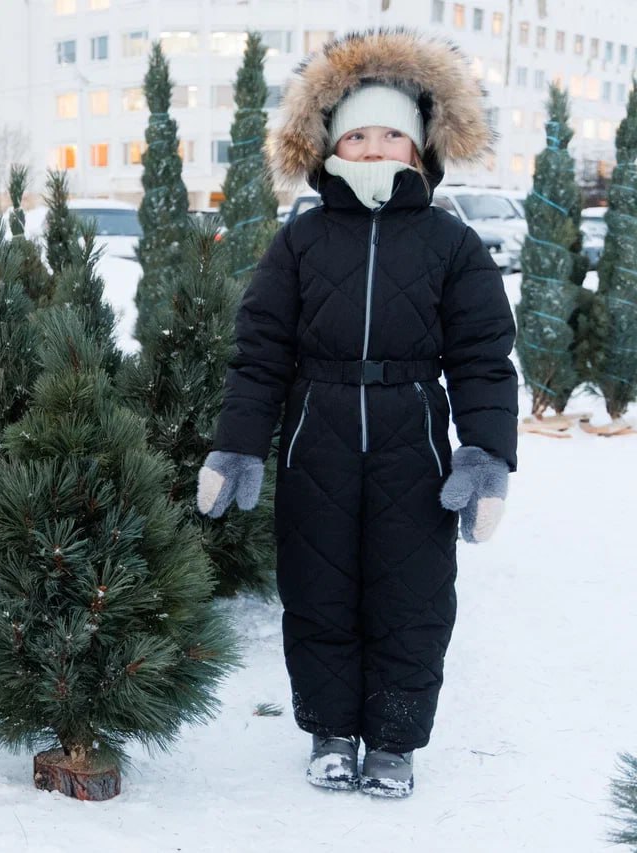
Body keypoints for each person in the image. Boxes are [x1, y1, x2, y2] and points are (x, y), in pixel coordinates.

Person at [197, 29, 518, 798]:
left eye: (392, 135)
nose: (375, 148)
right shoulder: (301, 240)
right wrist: (237, 448)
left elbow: (482, 357)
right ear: (332, 146)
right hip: (318, 440)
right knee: (319, 591)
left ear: (420, 149)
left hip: (415, 445)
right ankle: (332, 731)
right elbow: (261, 354)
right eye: (359, 134)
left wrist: (486, 456)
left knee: (412, 597)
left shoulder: (452, 242)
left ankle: (396, 740)